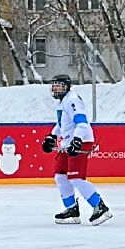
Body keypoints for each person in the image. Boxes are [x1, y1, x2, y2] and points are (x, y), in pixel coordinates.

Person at [42, 73, 111, 225]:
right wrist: (52, 136)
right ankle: (71, 209)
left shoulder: (72, 100)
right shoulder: (62, 102)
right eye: (54, 85)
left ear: (67, 86)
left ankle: (100, 207)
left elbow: (81, 122)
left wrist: (77, 140)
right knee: (60, 176)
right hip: (67, 143)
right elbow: (63, 125)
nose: (56, 88)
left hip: (80, 141)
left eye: (59, 85)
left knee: (76, 178)